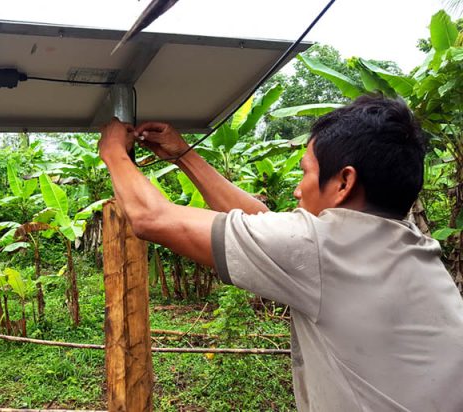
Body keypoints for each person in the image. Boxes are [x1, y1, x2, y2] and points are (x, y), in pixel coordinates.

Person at [98, 95, 463, 411]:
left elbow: (152, 218)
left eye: (305, 173)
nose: (298, 191)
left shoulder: (321, 251)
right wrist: (184, 156)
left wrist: (113, 151)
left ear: (344, 182)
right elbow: (269, 225)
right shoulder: (407, 241)